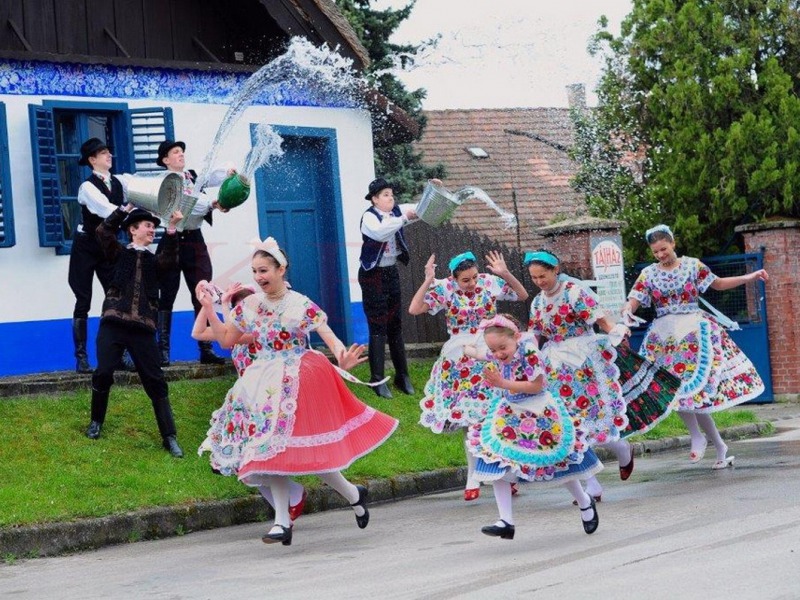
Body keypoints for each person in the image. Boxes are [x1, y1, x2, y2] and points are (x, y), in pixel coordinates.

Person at [197, 238, 398, 546]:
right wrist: (210, 309)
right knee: (270, 449)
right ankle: (286, 520)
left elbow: (328, 335)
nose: (259, 277)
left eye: (264, 270)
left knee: (303, 452)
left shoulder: (300, 303)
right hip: (261, 382)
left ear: (281, 269)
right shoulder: (249, 305)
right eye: (255, 272)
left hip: (298, 379)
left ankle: (345, 496)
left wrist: (341, 355)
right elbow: (226, 340)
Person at [622, 224, 768, 469]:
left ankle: (711, 442)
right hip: (664, 338)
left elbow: (718, 284)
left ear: (673, 243)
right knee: (674, 392)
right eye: (656, 252)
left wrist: (750, 276)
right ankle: (702, 438)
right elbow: (634, 300)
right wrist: (626, 312)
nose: (660, 255)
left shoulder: (692, 265)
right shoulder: (648, 274)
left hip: (692, 332)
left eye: (663, 249)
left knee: (694, 392)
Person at [466, 315, 602, 540]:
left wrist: (503, 383)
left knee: (558, 462)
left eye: (502, 347)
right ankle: (506, 521)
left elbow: (536, 385)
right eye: (494, 349)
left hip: (538, 410)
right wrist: (464, 347)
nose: (498, 354)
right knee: (497, 459)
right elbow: (481, 354)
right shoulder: (495, 352)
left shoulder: (530, 353)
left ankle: (585, 502)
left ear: (516, 337)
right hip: (510, 411)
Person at [409, 250, 528, 501]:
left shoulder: (488, 282)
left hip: (487, 351)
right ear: (454, 278)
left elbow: (522, 294)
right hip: (459, 358)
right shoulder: (446, 289)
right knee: (468, 420)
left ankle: (507, 474)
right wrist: (428, 280)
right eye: (466, 280)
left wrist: (504, 273)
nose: (472, 283)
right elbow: (415, 308)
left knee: (496, 415)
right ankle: (472, 476)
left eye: (474, 277)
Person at [191, 280, 306, 521]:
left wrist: (221, 305)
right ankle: (290, 500)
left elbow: (232, 338)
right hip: (247, 401)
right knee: (237, 462)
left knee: (254, 458)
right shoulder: (235, 326)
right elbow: (198, 332)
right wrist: (207, 302)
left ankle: (289, 504)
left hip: (266, 398)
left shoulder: (258, 330)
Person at [526, 249, 634, 502]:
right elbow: (536, 334)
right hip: (555, 367)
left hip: (583, 362)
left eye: (543, 275)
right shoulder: (538, 302)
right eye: (534, 278)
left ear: (556, 270)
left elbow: (601, 320)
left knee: (596, 422)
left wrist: (615, 331)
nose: (539, 282)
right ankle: (592, 485)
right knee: (569, 427)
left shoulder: (575, 292)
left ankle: (623, 450)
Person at [85, 204, 185, 458]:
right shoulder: (117, 253)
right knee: (104, 372)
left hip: (142, 330)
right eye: (147, 226)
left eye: (154, 226)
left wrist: (172, 230)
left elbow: (171, 261)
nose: (153, 229)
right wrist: (123, 208)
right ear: (132, 230)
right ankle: (96, 422)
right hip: (113, 324)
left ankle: (169, 437)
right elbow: (103, 231)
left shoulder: (155, 260)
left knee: (155, 380)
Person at [155, 139, 233, 366]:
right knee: (167, 294)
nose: (181, 154)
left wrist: (230, 172)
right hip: (172, 239)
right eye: (175, 152)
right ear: (165, 160)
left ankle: (206, 348)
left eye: (182, 151)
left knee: (203, 292)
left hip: (194, 240)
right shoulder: (165, 182)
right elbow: (187, 202)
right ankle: (163, 350)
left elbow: (214, 176)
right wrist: (213, 204)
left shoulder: (192, 176)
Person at [358, 177, 423, 398]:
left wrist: (434, 190)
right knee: (378, 326)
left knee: (395, 325)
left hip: (391, 272)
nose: (391, 198)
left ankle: (402, 376)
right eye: (385, 195)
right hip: (372, 275)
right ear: (375, 199)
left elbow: (420, 208)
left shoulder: (397, 212)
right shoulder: (370, 217)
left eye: (392, 194)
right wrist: (403, 217)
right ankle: (377, 379)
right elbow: (381, 233)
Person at [68, 138, 128, 373]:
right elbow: (105, 210)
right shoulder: (87, 187)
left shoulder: (119, 182)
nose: (109, 155)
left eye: (108, 151)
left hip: (107, 246)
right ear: (92, 160)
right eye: (103, 153)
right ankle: (81, 358)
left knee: (115, 299)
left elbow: (139, 193)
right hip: (85, 247)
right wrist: (128, 212)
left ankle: (118, 356)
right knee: (83, 300)